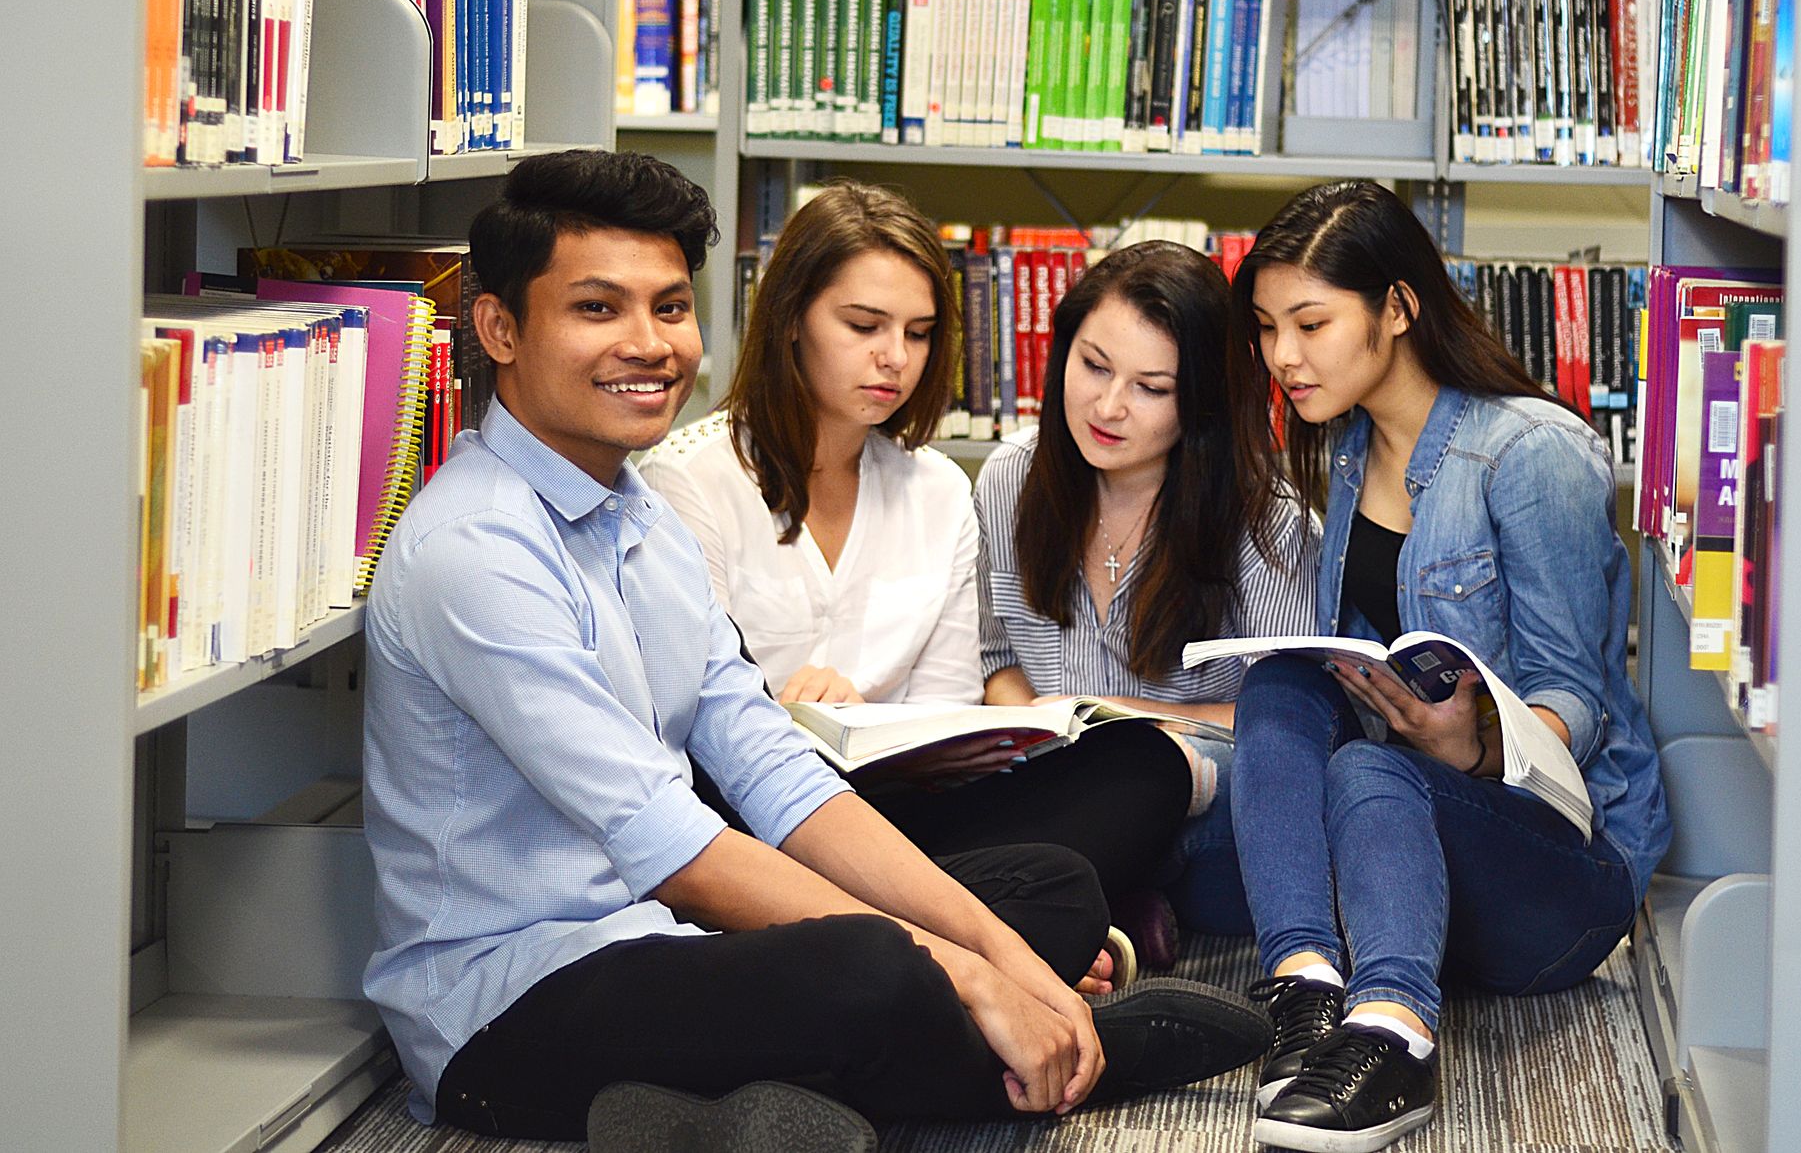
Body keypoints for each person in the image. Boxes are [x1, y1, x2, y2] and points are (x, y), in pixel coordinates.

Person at [359, 151, 1269, 1153]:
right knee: (872, 970)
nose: (648, 343)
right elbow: (671, 839)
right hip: (509, 1009)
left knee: (1031, 895)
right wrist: (968, 976)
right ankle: (1075, 1056)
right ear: (499, 330)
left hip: (670, 942)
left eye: (669, 308)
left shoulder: (635, 520)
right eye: (597, 309)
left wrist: (996, 949)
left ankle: (725, 1113)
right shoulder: (474, 551)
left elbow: (771, 766)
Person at [1226, 180, 1672, 1153]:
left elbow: (1577, 697)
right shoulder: (1348, 446)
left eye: (1309, 323)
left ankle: (1395, 1035)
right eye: (1265, 328)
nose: (1282, 357)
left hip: (1560, 867)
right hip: (1409, 842)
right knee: (1280, 687)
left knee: (1368, 765)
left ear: (1395, 307)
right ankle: (1304, 990)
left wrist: (1472, 746)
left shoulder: (1531, 454)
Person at [639, 184, 1197, 951]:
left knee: (1145, 767)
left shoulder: (936, 488)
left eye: (920, 332)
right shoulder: (689, 479)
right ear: (793, 317)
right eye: (864, 325)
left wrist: (906, 726)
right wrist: (793, 714)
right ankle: (1022, 930)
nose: (894, 358)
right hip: (758, 818)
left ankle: (964, 930)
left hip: (902, 817)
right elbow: (677, 732)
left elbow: (947, 704)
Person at [975, 241, 1319, 947]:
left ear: (1199, 403)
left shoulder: (1268, 524)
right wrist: (1034, 726)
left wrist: (1117, 717)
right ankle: (1100, 901)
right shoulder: (1010, 478)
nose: (1108, 406)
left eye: (1151, 388)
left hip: (1196, 786)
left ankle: (1074, 904)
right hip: (1047, 776)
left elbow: (1286, 721)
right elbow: (994, 657)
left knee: (1159, 773)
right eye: (1093, 366)